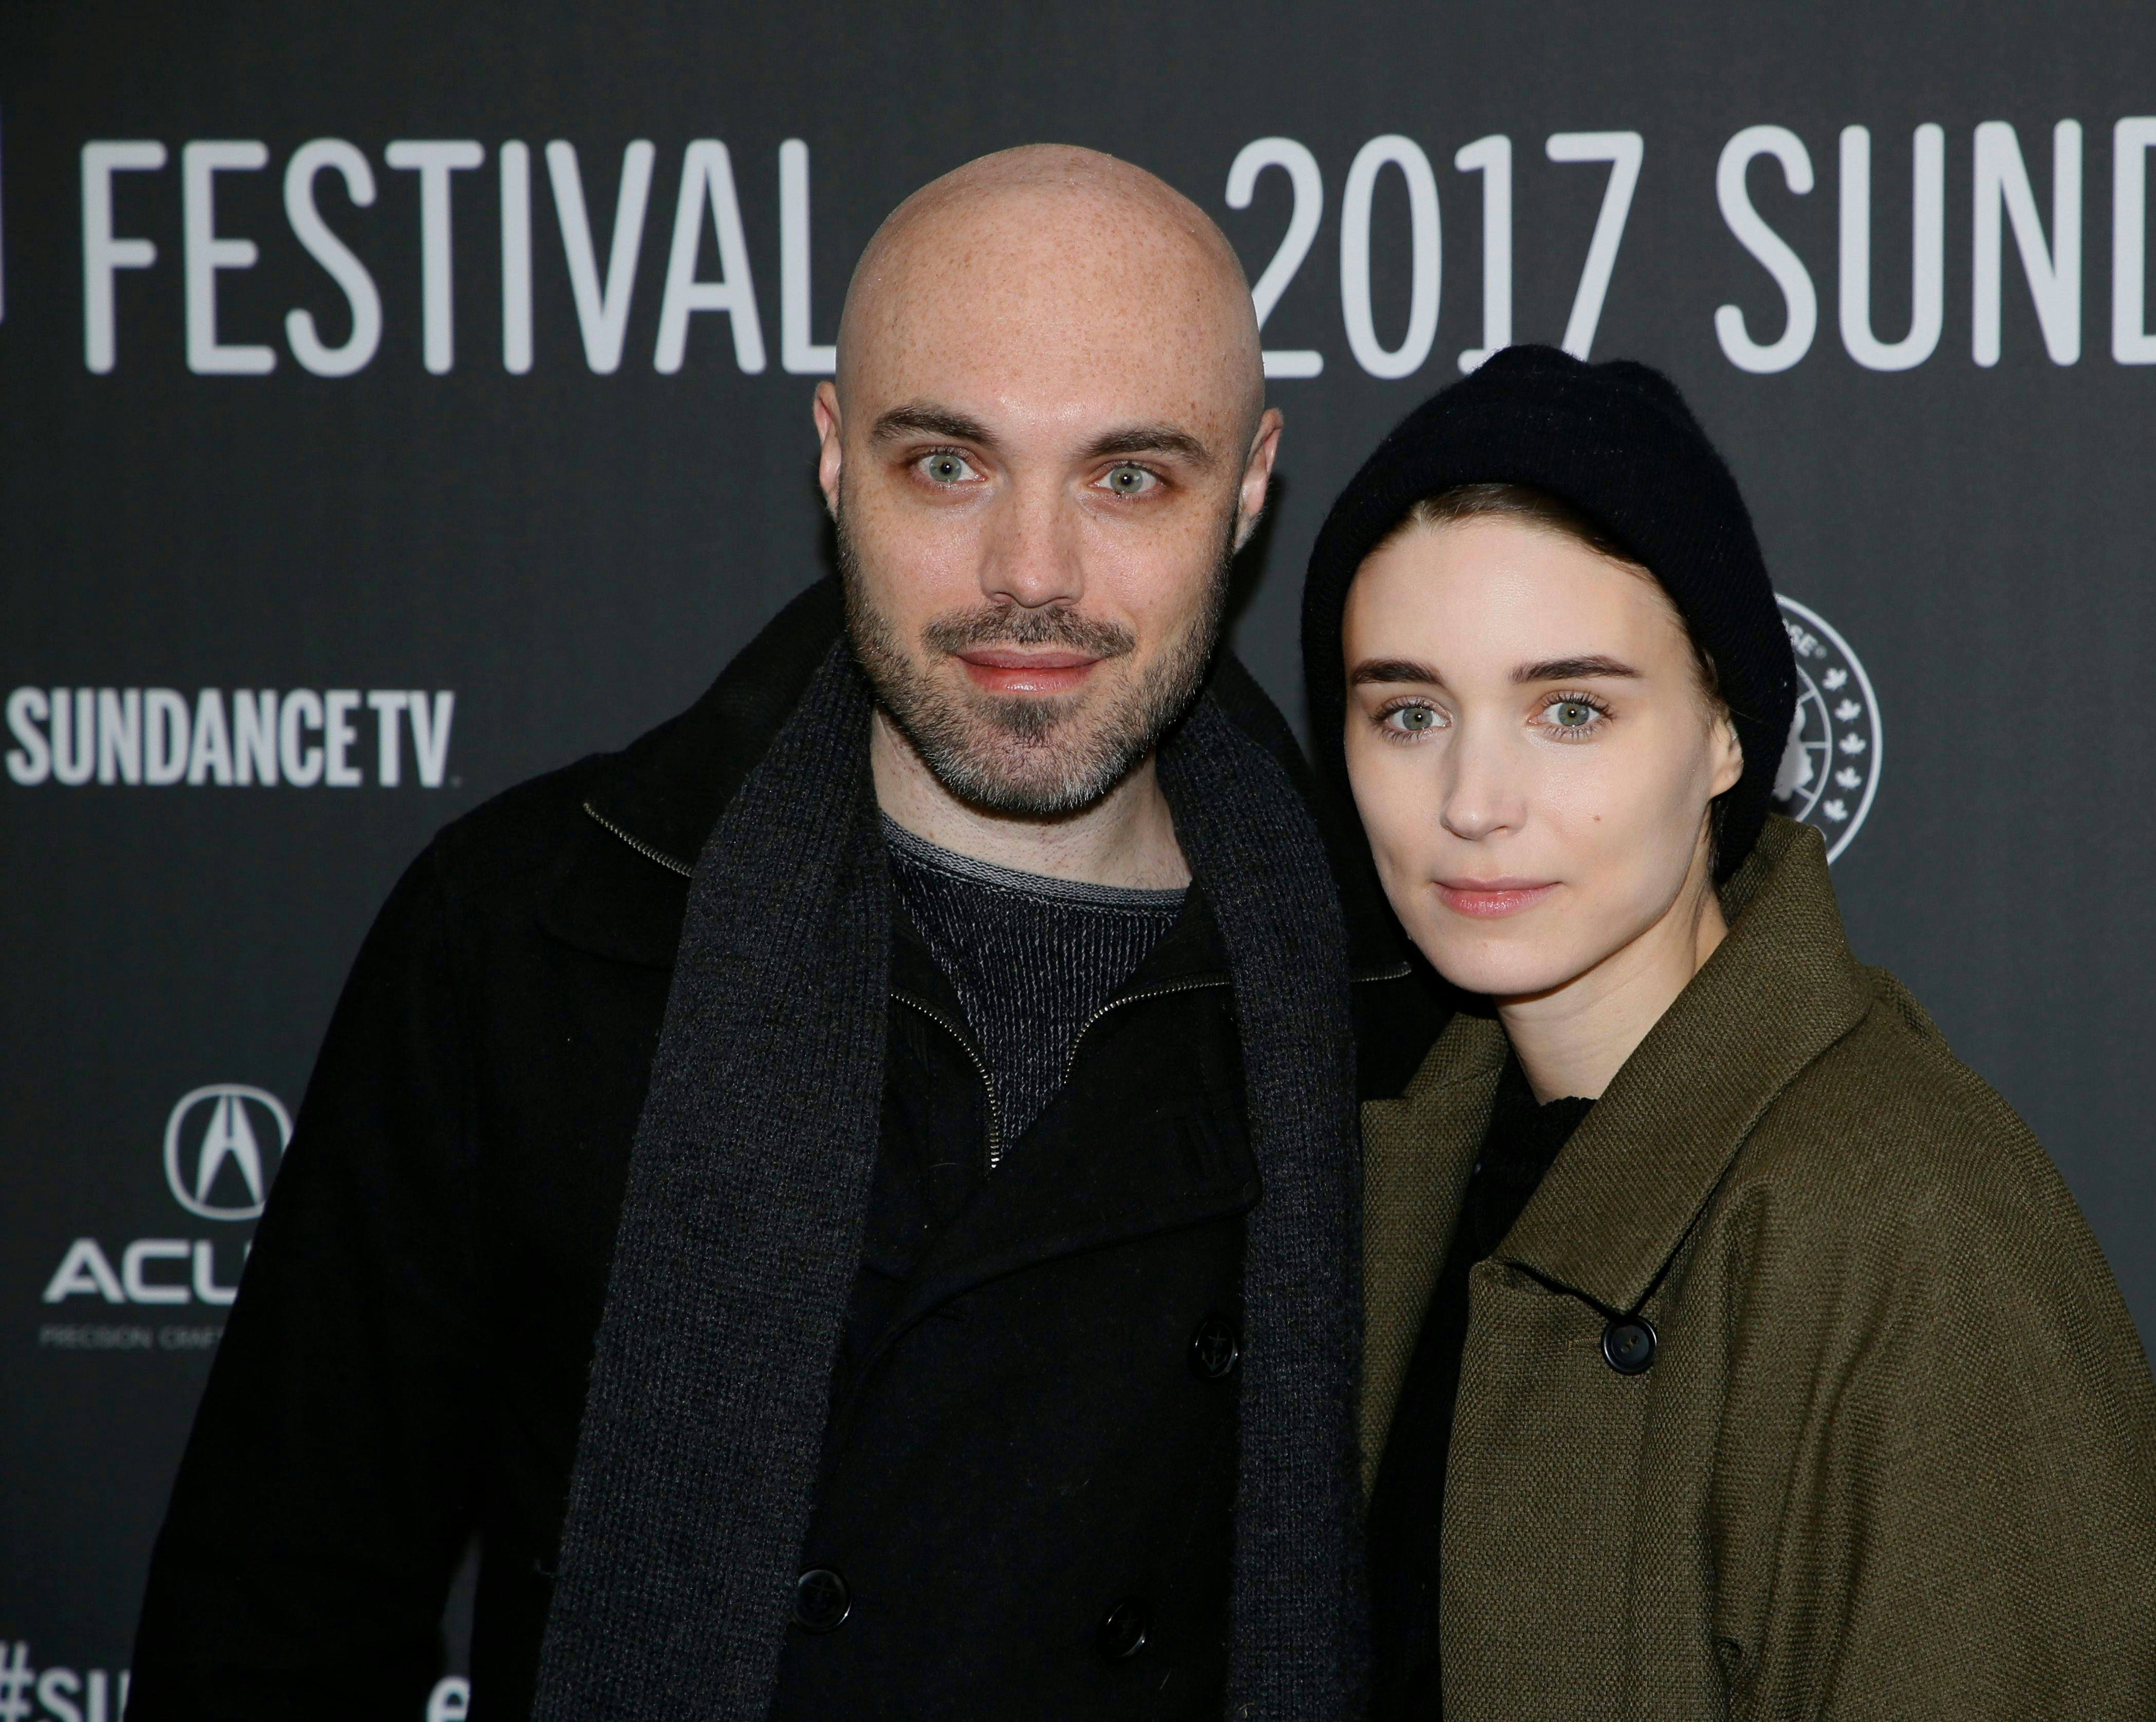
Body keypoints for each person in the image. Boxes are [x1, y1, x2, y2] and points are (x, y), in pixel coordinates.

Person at [131, 145, 1442, 1722]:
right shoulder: (528, 934)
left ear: (1248, 489)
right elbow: (275, 1628)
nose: (1030, 574)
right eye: (946, 466)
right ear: (833, 459)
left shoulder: (1398, 1001)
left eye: (1128, 477)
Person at [1299, 346, 2156, 1721]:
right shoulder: (1372, 1176)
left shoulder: (1897, 1217)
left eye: (1570, 710)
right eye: (1408, 712)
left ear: (1728, 731)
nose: (1472, 799)